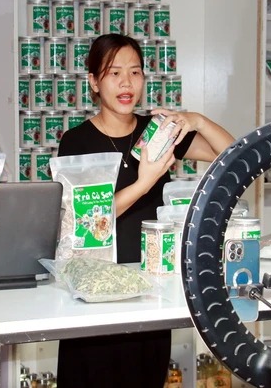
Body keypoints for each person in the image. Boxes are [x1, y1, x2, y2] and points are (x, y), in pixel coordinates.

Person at [55, 33, 235, 387]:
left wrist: (197, 120)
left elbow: (232, 155)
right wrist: (144, 182)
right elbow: (85, 224)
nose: (126, 83)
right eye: (114, 73)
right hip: (95, 291)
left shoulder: (157, 133)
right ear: (93, 82)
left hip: (151, 286)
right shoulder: (77, 141)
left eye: (135, 72)